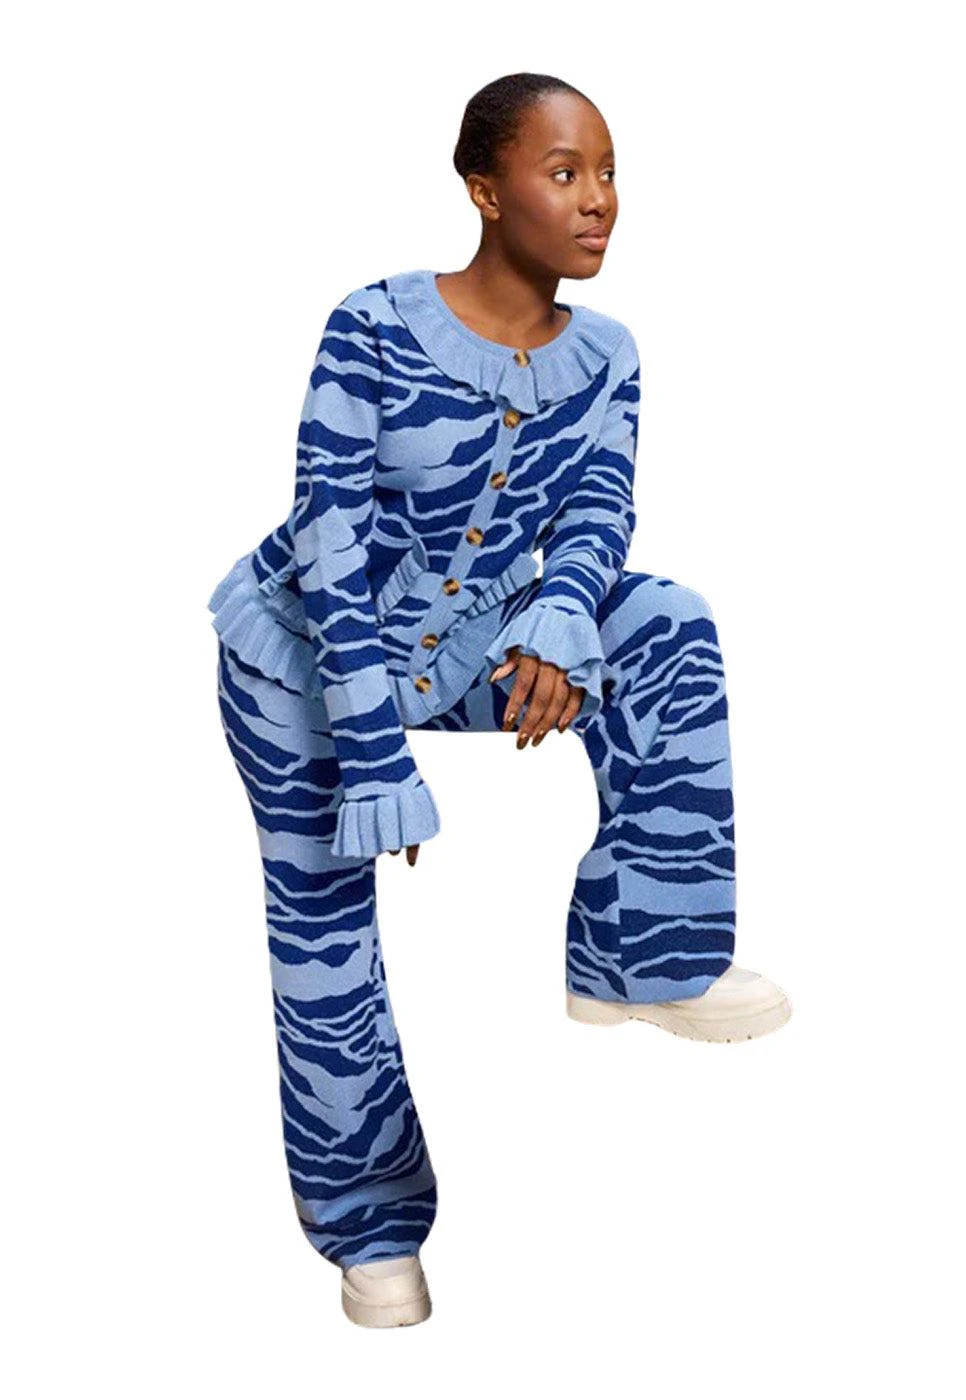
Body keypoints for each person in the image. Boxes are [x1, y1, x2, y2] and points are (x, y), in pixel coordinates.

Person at [208, 71, 792, 1328]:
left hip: (469, 645)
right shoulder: (371, 323)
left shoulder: (607, 353)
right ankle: (371, 1230)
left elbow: (596, 507)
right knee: (324, 944)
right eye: (563, 171)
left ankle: (641, 950)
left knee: (664, 620)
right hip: (307, 661)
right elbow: (329, 542)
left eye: (608, 172)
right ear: (484, 189)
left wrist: (561, 621)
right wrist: (375, 754)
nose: (598, 200)